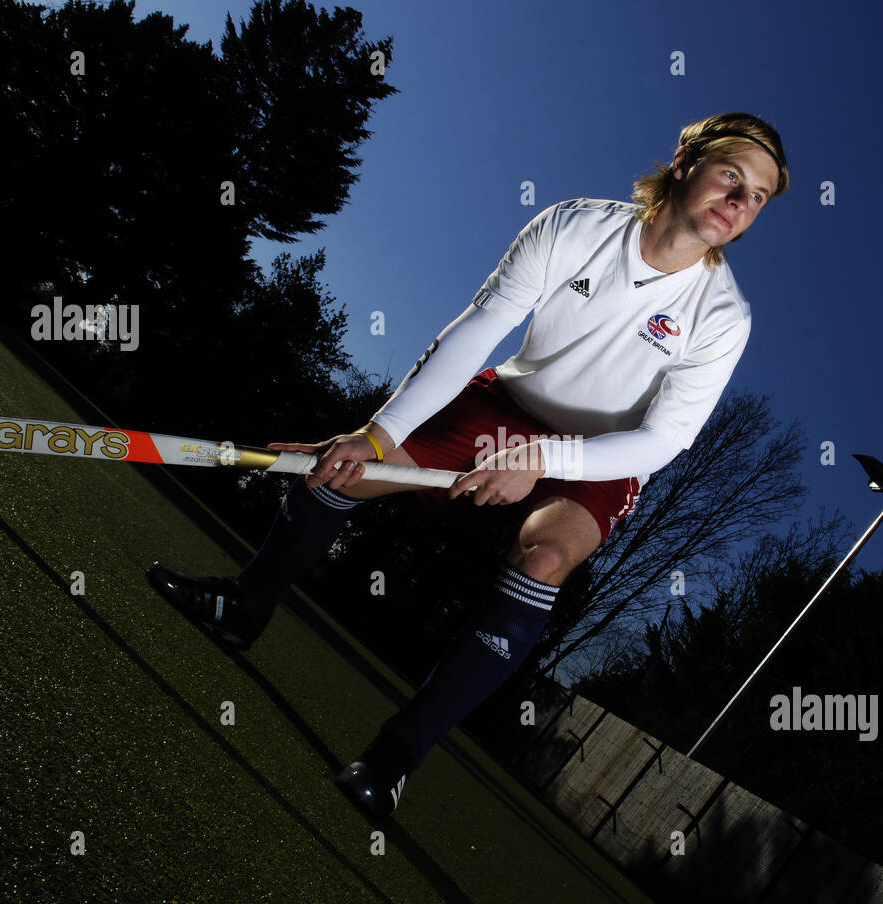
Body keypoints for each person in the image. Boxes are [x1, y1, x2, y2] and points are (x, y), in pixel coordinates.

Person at [147, 111, 789, 818]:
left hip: (602, 453)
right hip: (505, 404)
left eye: (758, 196)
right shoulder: (575, 226)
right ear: (683, 161)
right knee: (344, 468)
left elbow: (665, 439)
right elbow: (484, 325)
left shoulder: (724, 314)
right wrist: (380, 430)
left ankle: (394, 756)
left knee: (546, 557)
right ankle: (244, 605)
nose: (739, 203)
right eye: (731, 176)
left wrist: (544, 457)